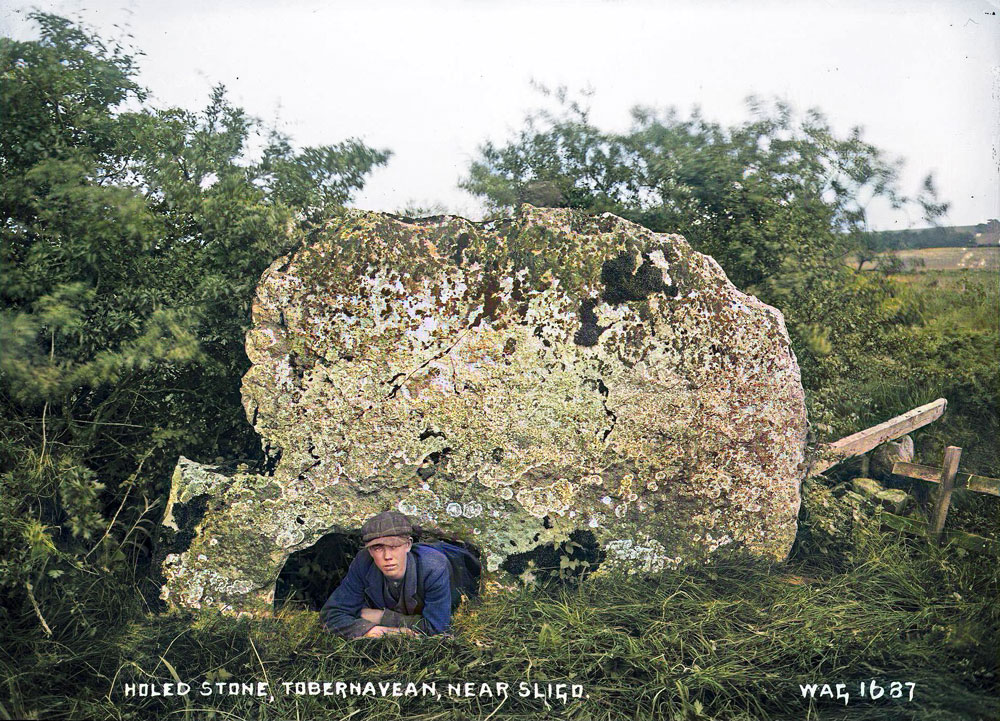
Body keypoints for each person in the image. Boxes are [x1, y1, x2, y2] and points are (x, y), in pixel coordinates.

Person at [320, 510, 480, 639]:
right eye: (378, 548)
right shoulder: (364, 562)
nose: (387, 556)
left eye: (394, 546)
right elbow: (331, 614)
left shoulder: (433, 567)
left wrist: (381, 617)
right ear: (369, 550)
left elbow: (437, 628)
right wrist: (374, 631)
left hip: (460, 566)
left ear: (408, 545)